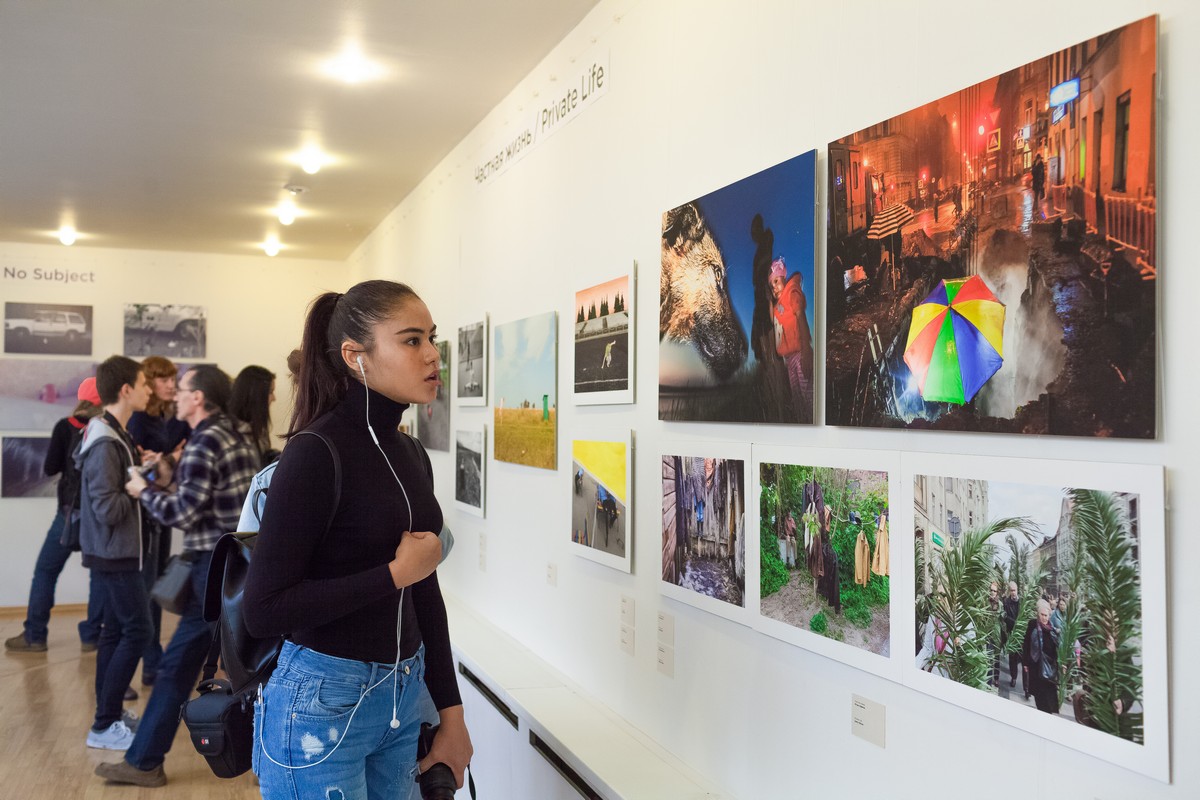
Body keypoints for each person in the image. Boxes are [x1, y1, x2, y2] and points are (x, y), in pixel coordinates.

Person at [243, 280, 473, 798]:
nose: (434, 355)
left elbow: (425, 595)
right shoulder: (315, 453)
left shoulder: (410, 454)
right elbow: (265, 608)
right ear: (355, 356)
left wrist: (451, 714)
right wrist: (393, 575)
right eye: (412, 341)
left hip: (403, 693)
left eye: (431, 338)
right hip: (320, 703)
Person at [95, 365, 259, 787]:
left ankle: (145, 761)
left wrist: (143, 490)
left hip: (210, 568)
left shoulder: (205, 440)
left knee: (175, 670)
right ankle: (265, 757)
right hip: (237, 564)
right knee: (242, 666)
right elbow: (209, 496)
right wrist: (169, 478)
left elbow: (185, 513)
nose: (174, 396)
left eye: (182, 390)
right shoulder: (235, 431)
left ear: (198, 398)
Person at [79, 355, 153, 750]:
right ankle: (104, 724)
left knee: (114, 634)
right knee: (138, 631)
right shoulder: (106, 442)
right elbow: (107, 508)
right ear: (125, 390)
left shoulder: (114, 433)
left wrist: (142, 471)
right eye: (143, 383)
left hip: (116, 551)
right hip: (115, 552)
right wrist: (136, 486)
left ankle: (106, 717)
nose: (149, 390)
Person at [5, 377, 104, 653]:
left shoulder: (66, 426)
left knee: (45, 572)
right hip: (98, 517)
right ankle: (91, 635)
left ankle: (35, 635)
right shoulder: (107, 428)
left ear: (81, 398)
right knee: (98, 575)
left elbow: (49, 468)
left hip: (68, 514)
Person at [126, 355, 190, 687]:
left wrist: (169, 459)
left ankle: (154, 660)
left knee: (158, 579)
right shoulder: (138, 421)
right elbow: (141, 471)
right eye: (164, 379)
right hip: (146, 511)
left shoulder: (173, 419)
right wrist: (168, 458)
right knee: (149, 584)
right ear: (149, 383)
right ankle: (152, 660)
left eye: (173, 379)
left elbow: (184, 454)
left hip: (161, 508)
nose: (171, 384)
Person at [769, 257, 814, 422]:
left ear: (784, 277)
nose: (774, 288)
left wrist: (806, 351)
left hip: (800, 353)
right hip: (789, 359)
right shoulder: (778, 303)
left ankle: (812, 426)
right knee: (797, 400)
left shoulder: (792, 291)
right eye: (771, 285)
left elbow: (800, 316)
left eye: (776, 281)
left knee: (808, 397)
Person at [230, 364, 278, 465]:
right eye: (270, 392)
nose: (274, 398)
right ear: (256, 394)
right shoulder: (230, 433)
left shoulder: (258, 430)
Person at [1023, 598, 1061, 714]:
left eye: (1046, 615)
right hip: (1036, 668)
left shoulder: (1053, 630)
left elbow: (1057, 650)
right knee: (1041, 702)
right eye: (1042, 615)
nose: (1044, 618)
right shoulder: (1033, 625)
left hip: (1050, 671)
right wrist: (1025, 662)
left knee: (1050, 703)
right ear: (1038, 614)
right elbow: (1026, 644)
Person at [1002, 581, 1023, 692]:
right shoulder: (1006, 602)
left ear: (1017, 590)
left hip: (1021, 633)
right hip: (1011, 632)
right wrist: (1014, 623)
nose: (1013, 593)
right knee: (1012, 657)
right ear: (1009, 591)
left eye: (1015, 590)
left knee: (1022, 656)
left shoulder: (1022, 601)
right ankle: (1013, 677)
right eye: (1011, 590)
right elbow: (1005, 616)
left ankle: (1027, 686)